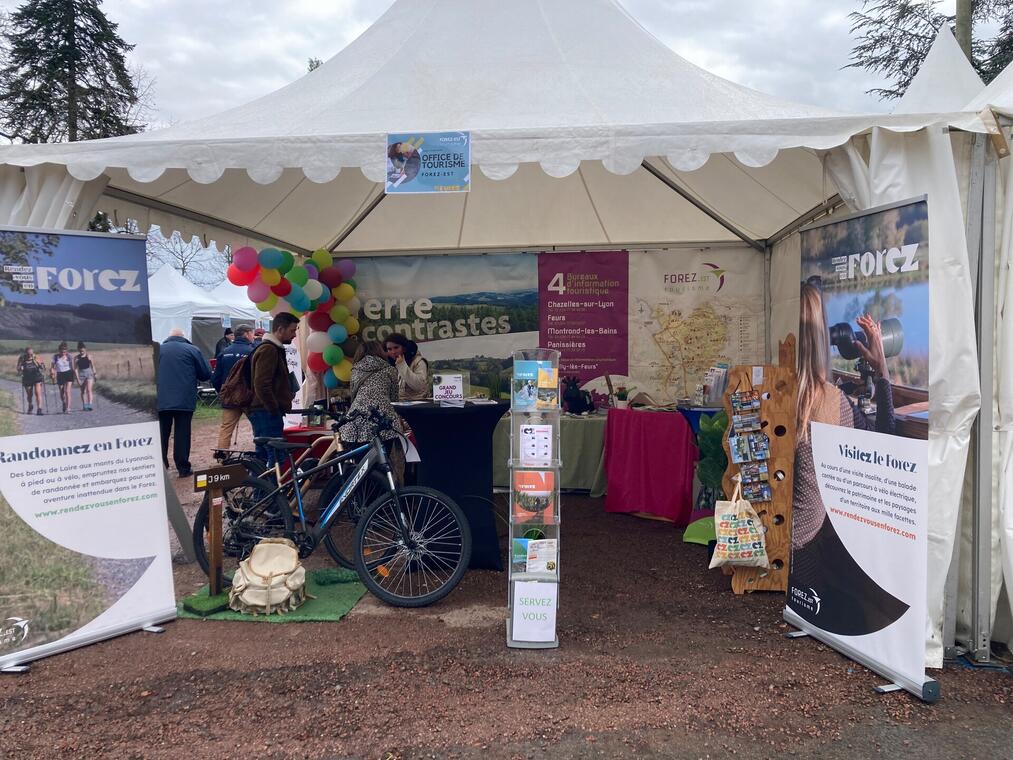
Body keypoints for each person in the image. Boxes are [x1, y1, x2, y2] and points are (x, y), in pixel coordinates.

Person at [790, 281, 902, 636]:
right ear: (825, 337)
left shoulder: (776, 392)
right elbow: (886, 441)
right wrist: (882, 371)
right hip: (807, 552)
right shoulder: (831, 401)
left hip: (772, 543)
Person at [339, 340, 406, 482]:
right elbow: (394, 399)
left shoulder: (356, 370)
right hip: (382, 422)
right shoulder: (390, 370)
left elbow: (353, 395)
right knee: (382, 464)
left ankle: (364, 497)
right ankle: (382, 499)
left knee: (362, 468)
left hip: (357, 423)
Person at [156, 328, 212, 477]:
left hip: (161, 399)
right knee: (182, 434)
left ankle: (161, 466)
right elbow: (205, 374)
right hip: (184, 399)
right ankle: (183, 467)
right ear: (183, 337)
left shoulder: (157, 350)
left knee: (162, 433)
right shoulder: (192, 350)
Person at [249, 313, 300, 464]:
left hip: (263, 410)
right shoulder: (269, 350)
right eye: (292, 330)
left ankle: (262, 486)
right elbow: (261, 384)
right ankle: (268, 487)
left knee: (266, 455)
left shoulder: (273, 349)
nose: (294, 334)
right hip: (265, 411)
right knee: (275, 456)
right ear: (280, 329)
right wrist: (273, 408)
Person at [211, 324, 255, 449]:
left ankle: (222, 456)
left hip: (230, 397)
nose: (253, 336)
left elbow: (215, 378)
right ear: (246, 334)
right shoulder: (252, 351)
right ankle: (260, 457)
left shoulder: (224, 352)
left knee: (226, 428)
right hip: (249, 398)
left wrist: (223, 391)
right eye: (252, 333)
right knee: (258, 427)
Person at [383, 332, 429, 400]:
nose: (393, 352)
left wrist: (402, 365)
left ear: (404, 348)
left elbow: (419, 386)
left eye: (396, 347)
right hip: (397, 403)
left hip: (417, 402)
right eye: (389, 349)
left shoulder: (418, 361)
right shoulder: (389, 364)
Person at [17, 347, 45, 415]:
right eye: (28, 354)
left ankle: (39, 409)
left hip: (37, 377)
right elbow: (18, 369)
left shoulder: (36, 357)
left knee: (38, 393)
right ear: (26, 353)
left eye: (31, 353)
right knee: (29, 395)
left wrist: (40, 364)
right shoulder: (22, 358)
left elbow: (43, 367)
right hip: (27, 378)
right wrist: (20, 369)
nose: (30, 355)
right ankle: (30, 405)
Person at [50, 342, 75, 413]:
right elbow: (52, 367)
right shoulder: (55, 357)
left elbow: (73, 367)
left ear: (66, 351)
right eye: (62, 351)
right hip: (60, 374)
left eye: (64, 351)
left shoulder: (69, 357)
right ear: (59, 350)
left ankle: (68, 408)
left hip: (68, 373)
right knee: (62, 392)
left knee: (67, 391)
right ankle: (64, 402)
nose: (63, 353)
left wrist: (75, 374)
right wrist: (52, 373)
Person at [74, 342, 97, 411]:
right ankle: (85, 405)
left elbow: (93, 366)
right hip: (81, 374)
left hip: (89, 373)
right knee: (83, 391)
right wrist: (77, 379)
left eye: (83, 350)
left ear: (85, 349)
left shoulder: (89, 356)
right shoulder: (76, 358)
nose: (81, 352)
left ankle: (90, 404)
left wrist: (95, 374)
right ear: (78, 350)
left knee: (89, 390)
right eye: (80, 351)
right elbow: (75, 369)